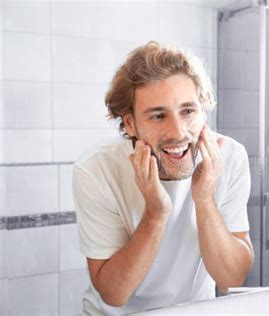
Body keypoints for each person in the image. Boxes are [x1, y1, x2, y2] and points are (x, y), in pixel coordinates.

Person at [72, 42, 254, 315]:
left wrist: (204, 198)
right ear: (131, 124)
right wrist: (156, 211)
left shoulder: (230, 157)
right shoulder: (97, 169)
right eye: (158, 116)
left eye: (188, 111)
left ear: (203, 110)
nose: (178, 132)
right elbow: (113, 294)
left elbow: (231, 280)